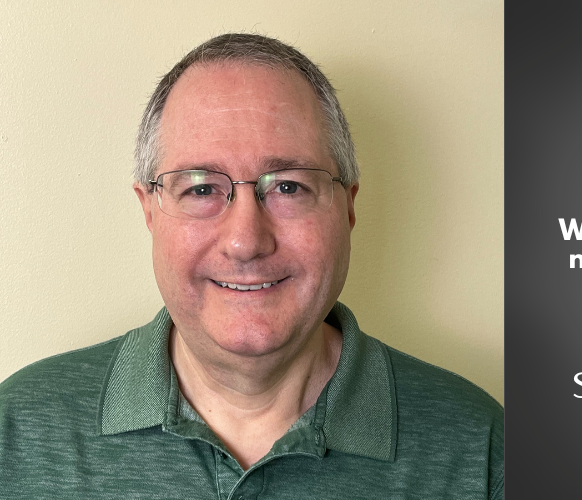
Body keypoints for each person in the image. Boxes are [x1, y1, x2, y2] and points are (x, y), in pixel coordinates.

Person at [0, 33, 503, 499]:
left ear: (347, 207)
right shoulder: (16, 432)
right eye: (200, 188)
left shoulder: (483, 449)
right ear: (149, 209)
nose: (245, 241)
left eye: (288, 186)